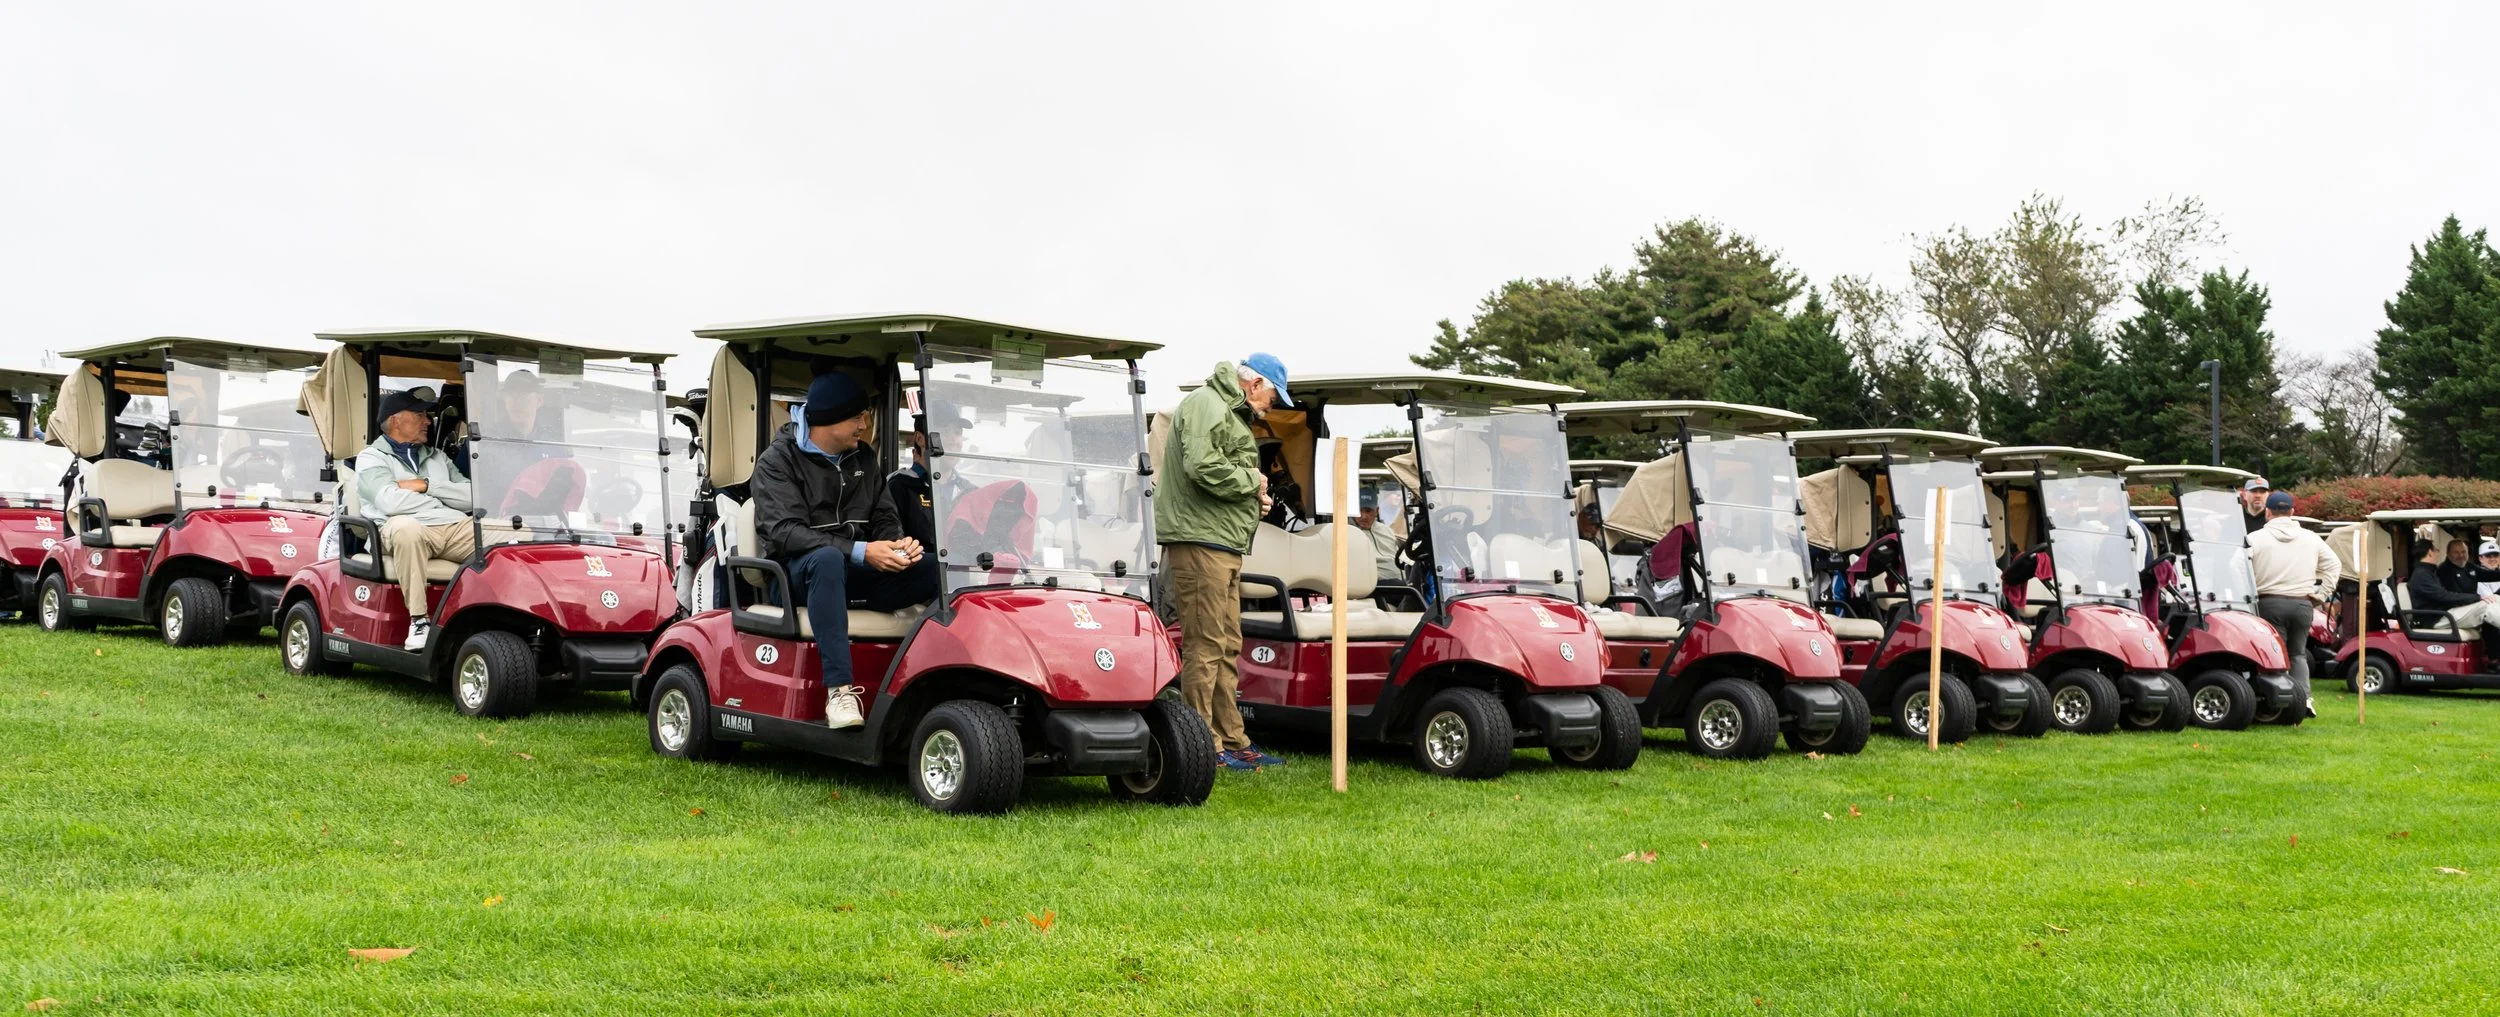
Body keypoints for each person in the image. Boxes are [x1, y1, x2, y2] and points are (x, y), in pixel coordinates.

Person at [750, 372, 938, 728]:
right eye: (858, 417)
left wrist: (898, 544)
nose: (865, 425)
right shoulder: (777, 461)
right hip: (795, 578)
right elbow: (785, 533)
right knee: (827, 559)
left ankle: (933, 678)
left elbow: (883, 515)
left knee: (934, 568)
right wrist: (862, 551)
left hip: (852, 573)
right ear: (828, 420)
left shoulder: (863, 459)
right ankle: (839, 691)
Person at [1158, 354, 1290, 771]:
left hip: (1221, 542)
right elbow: (1202, 466)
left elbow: (1220, 474)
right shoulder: (1206, 404)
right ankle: (1203, 745)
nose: (1274, 404)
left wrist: (1256, 500)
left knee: (1228, 643)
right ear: (1254, 385)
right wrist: (1253, 482)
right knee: (1206, 645)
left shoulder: (1224, 408)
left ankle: (1233, 739)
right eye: (1273, 395)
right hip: (1201, 543)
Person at [358, 389, 476, 652]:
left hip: (451, 528)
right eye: (420, 414)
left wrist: (426, 486)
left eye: (428, 415)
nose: (428, 421)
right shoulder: (371, 458)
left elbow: (472, 498)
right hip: (396, 531)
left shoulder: (438, 457)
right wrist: (442, 500)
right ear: (396, 420)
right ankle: (419, 620)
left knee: (514, 534)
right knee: (406, 528)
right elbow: (389, 502)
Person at [2247, 491, 2340, 700]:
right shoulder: (2311, 538)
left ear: (2267, 512)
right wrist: (2322, 594)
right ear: (2292, 512)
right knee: (2298, 654)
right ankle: (2304, 699)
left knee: (2273, 653)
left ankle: (2277, 698)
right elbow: (2334, 564)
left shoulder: (2253, 539)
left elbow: (2238, 568)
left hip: (2268, 602)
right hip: (2302, 604)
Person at [2402, 534, 2500, 656]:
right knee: (2485, 607)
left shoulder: (2428, 571)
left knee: (2495, 599)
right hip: (2437, 618)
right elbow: (2444, 596)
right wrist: (2478, 597)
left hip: (2445, 613)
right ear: (2430, 552)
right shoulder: (2423, 575)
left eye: (2464, 552)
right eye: (2436, 550)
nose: (2438, 553)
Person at [889, 427, 934, 550]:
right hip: (919, 562)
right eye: (945, 431)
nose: (955, 440)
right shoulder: (898, 485)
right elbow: (893, 541)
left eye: (958, 433)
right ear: (919, 439)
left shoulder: (965, 488)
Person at [1354, 487, 1402, 584]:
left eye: (1368, 511)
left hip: (1400, 582)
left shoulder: (1387, 531)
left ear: (1377, 511)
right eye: (1359, 511)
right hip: (1373, 585)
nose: (1363, 516)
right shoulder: (1348, 533)